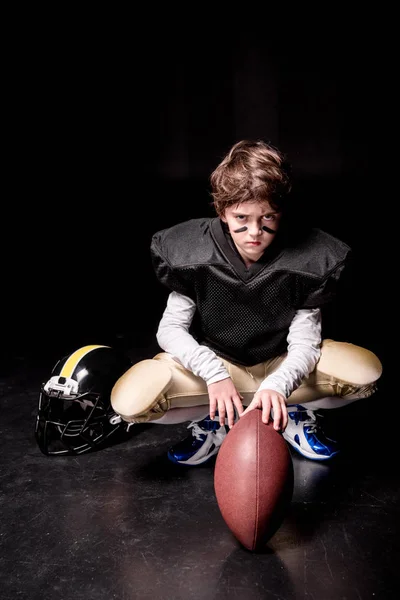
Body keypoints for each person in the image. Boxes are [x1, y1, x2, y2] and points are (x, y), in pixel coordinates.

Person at [110, 140, 382, 465]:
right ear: (222, 211)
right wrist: (213, 374)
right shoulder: (191, 252)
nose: (255, 232)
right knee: (131, 403)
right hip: (218, 363)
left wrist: (279, 386)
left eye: (268, 217)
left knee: (363, 374)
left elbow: (305, 343)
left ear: (281, 212)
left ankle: (291, 412)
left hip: (283, 364)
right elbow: (170, 329)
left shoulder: (310, 256)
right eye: (242, 217)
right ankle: (216, 418)